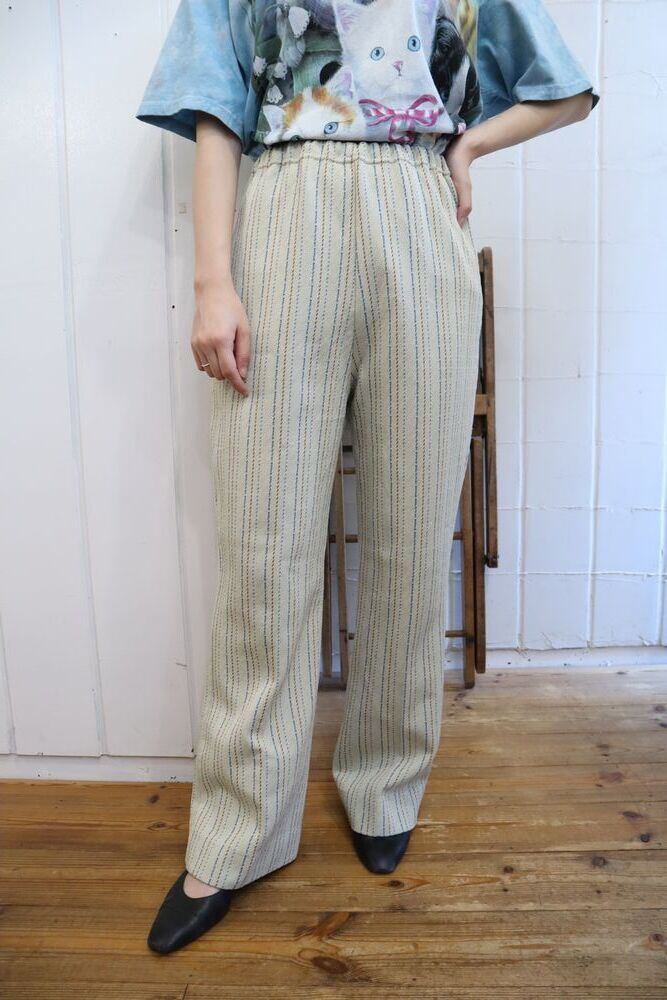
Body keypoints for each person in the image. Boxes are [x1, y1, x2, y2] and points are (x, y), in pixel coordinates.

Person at [135, 0, 599, 955]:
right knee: (263, 548)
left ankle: (386, 781)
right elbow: (217, 110)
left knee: (409, 536)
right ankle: (237, 831)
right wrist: (214, 281)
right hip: (285, 206)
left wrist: (466, 148)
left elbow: (566, 90)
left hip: (419, 214)